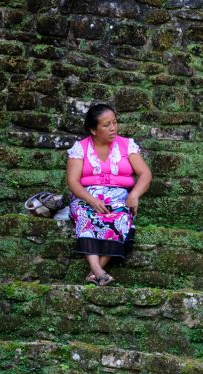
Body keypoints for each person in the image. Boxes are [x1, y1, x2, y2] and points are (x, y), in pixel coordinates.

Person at [65, 103, 152, 287]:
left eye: (114, 122)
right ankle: (99, 272)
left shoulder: (127, 145)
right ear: (93, 130)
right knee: (84, 214)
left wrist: (134, 195)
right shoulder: (80, 148)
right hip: (86, 197)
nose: (113, 128)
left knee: (120, 218)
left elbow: (145, 174)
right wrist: (91, 200)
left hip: (119, 197)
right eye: (106, 125)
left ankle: (94, 272)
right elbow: (73, 181)